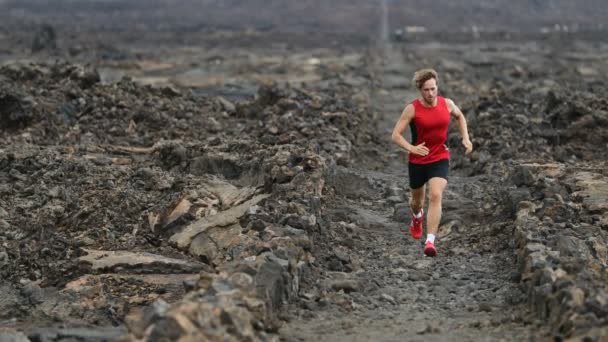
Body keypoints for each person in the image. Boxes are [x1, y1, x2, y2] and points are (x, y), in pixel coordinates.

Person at [391, 69, 472, 257]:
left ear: (437, 87)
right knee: (417, 202)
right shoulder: (412, 109)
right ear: (420, 90)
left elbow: (460, 117)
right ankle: (417, 217)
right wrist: (412, 148)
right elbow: (395, 135)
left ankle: (430, 241)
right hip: (418, 160)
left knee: (435, 195)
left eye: (433, 89)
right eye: (426, 90)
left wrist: (466, 138)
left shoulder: (447, 104)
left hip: (440, 157)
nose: (430, 93)